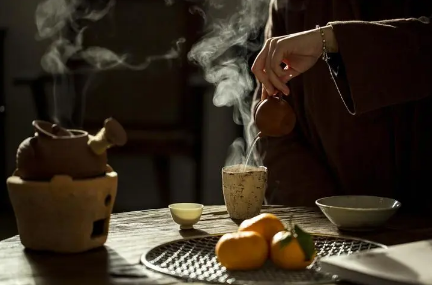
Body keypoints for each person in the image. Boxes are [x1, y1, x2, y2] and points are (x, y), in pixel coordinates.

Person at [250, 0, 432, 215]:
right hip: (326, 216)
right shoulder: (287, 5)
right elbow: (277, 136)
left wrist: (332, 40)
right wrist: (322, 210)